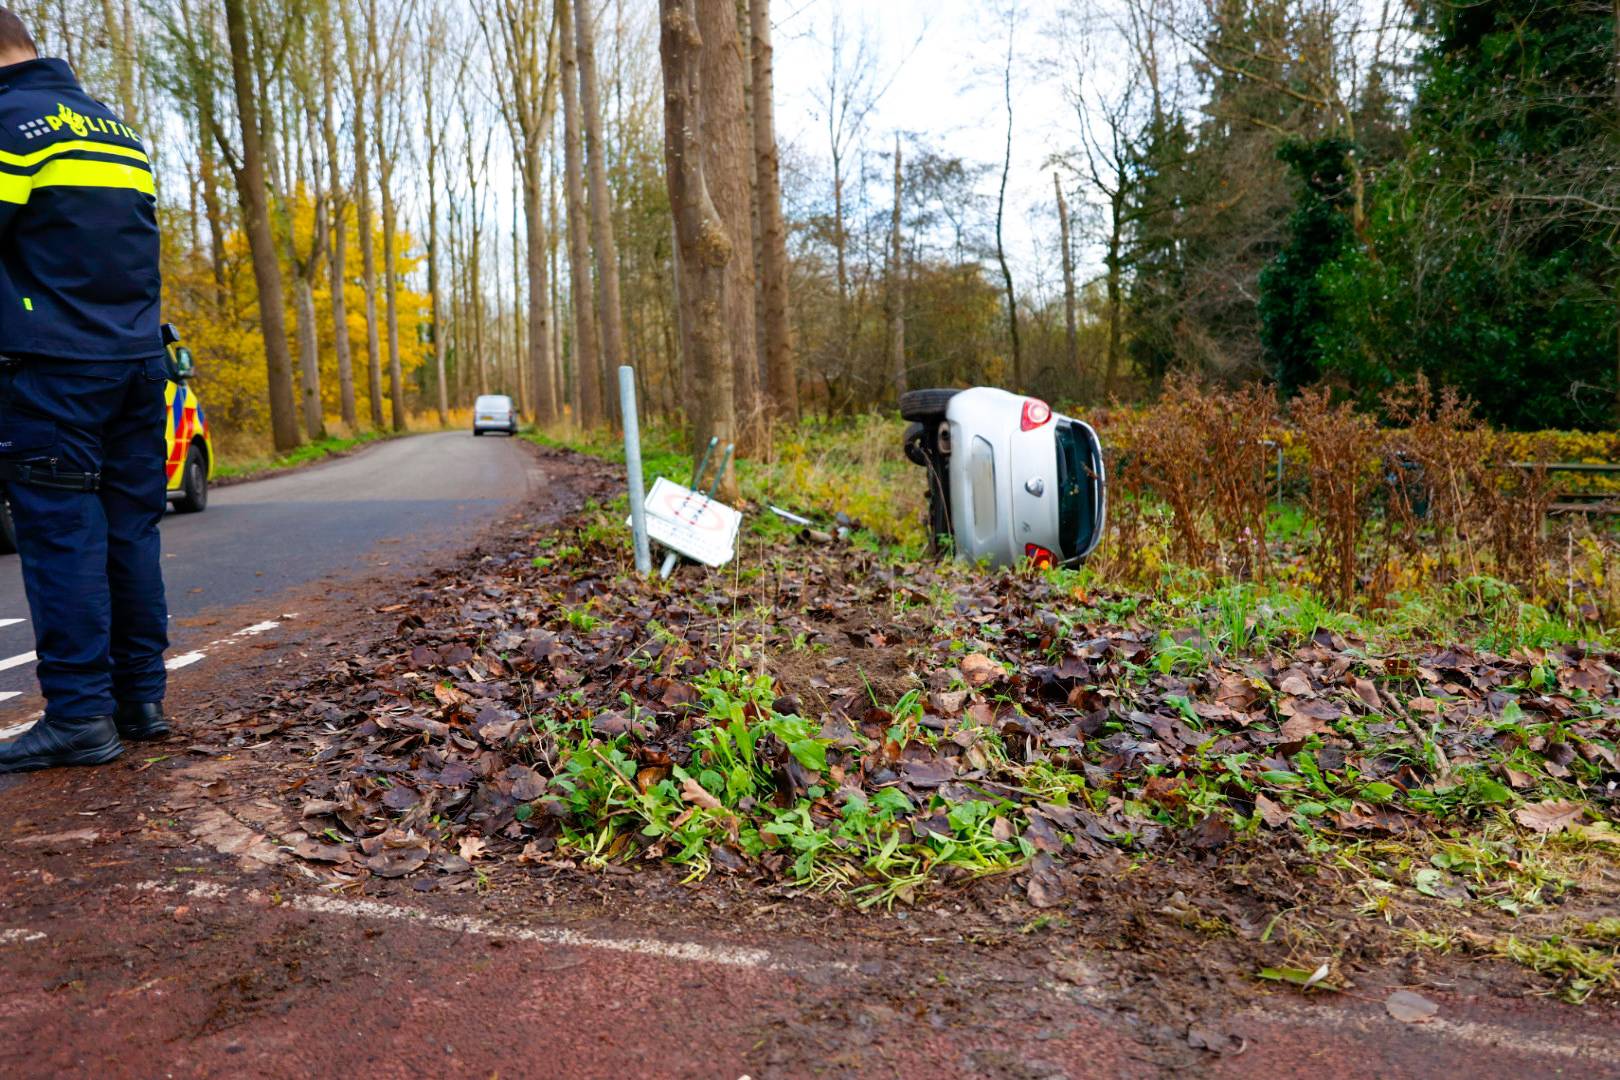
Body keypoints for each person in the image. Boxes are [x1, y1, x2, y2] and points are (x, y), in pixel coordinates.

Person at [0, 9, 170, 773]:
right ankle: (140, 700)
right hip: (136, 361)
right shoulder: (113, 129)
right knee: (129, 530)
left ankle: (77, 716)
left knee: (64, 535)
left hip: (52, 370)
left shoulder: (9, 125)